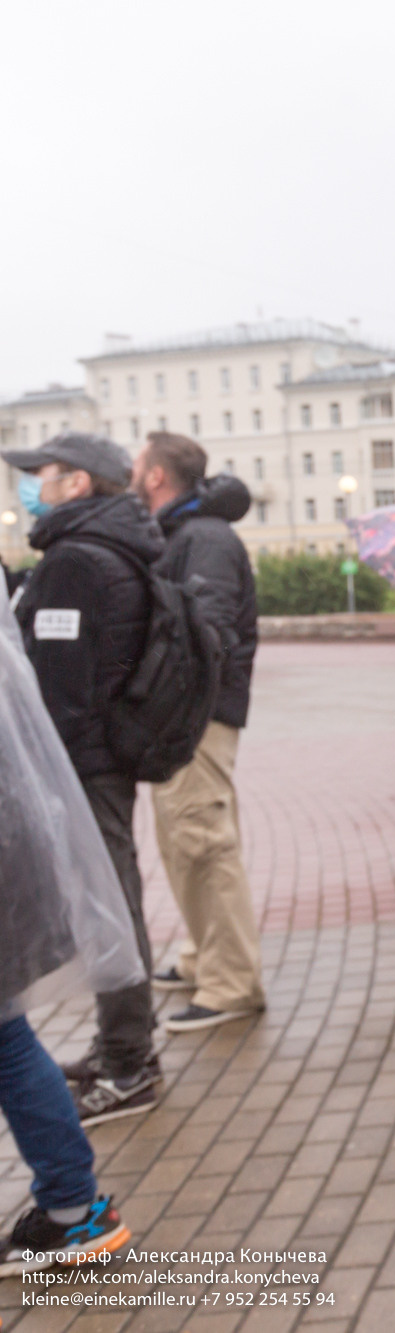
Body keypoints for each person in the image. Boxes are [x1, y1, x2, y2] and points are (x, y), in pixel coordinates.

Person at [4, 432, 166, 1127]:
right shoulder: (113, 544)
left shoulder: (75, 558)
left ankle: (130, 1061)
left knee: (110, 903)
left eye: (40, 473)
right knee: (114, 894)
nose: (28, 484)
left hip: (85, 760)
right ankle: (117, 1045)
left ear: (77, 482)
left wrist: (44, 774)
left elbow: (61, 686)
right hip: (107, 754)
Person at [0, 609, 141, 1277]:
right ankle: (72, 1207)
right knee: (7, 1035)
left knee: (6, 1039)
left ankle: (72, 1209)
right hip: (15, 841)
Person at [130, 433, 266, 1034]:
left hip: (197, 718)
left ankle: (232, 982)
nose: (131, 472)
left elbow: (206, 632)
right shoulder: (184, 533)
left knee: (205, 844)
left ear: (157, 475)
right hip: (182, 718)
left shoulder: (204, 538)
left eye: (137, 463)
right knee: (184, 843)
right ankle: (200, 958)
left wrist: (165, 697)